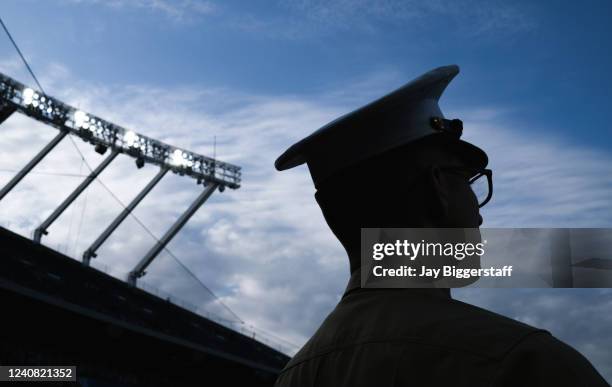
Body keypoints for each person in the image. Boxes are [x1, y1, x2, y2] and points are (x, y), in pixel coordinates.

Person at [273, 65, 609, 386]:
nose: (479, 214)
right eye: (468, 181)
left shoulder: (294, 374)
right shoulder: (523, 362)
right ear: (437, 188)